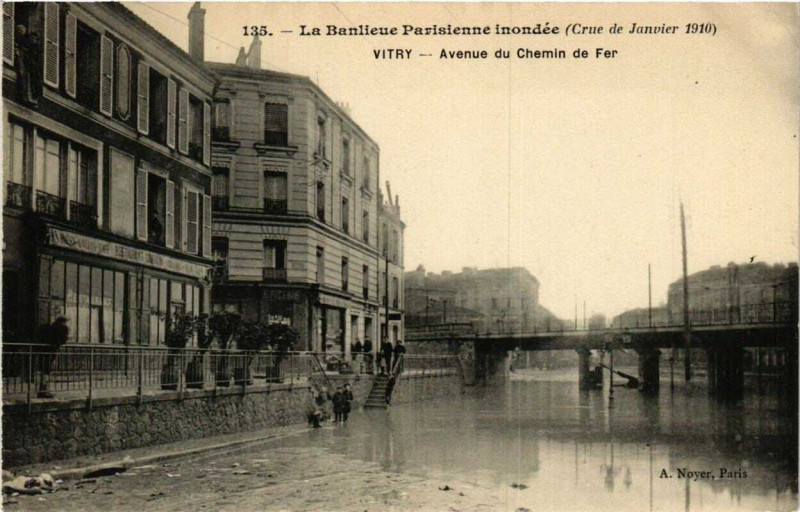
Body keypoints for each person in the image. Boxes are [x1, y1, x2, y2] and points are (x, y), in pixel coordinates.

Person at [38, 317, 68, 398]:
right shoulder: (61, 328)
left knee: (43, 371)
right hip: (50, 351)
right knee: (47, 371)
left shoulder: (47, 327)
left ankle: (42, 389)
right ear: (63, 322)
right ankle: (43, 390)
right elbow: (62, 341)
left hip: (42, 351)